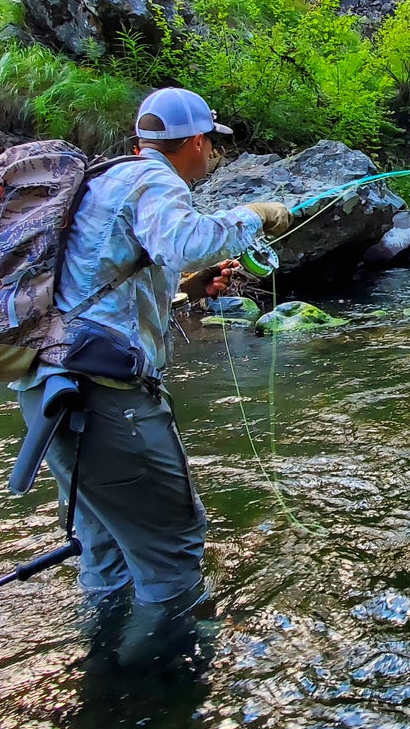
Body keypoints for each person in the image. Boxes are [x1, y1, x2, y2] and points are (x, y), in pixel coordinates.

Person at [15, 86, 292, 662]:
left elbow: (95, 289)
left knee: (108, 553)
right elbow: (187, 240)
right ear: (195, 141)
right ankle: (151, 695)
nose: (212, 155)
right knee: (172, 553)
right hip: (106, 402)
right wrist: (257, 214)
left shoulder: (103, 179)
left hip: (50, 392)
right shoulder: (155, 180)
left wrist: (187, 289)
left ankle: (103, 674)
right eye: (212, 144)